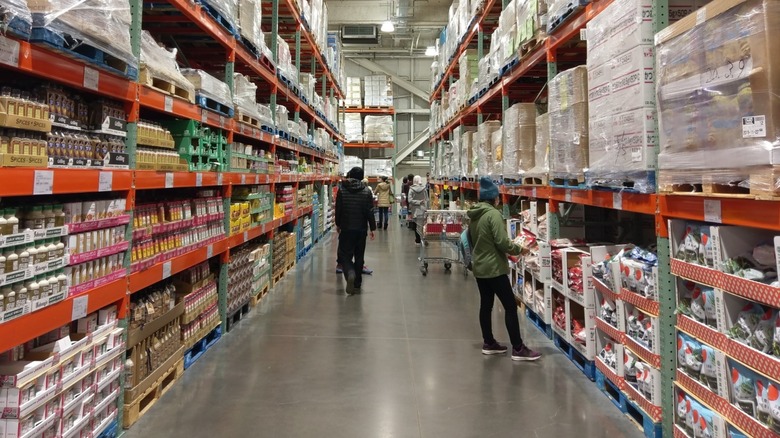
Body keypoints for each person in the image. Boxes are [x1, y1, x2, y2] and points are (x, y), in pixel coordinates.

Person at [467, 177, 541, 361]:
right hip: (494, 268)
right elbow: (501, 241)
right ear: (494, 198)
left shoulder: (475, 215)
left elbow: (475, 240)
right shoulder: (493, 215)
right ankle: (518, 348)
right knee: (509, 306)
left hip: (480, 267)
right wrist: (519, 249)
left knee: (486, 305)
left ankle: (489, 342)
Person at [335, 167, 376, 294]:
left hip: (346, 228)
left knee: (345, 255)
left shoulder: (342, 190)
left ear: (350, 175)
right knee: (359, 256)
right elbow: (369, 211)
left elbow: (338, 209)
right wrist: (372, 228)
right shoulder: (366, 191)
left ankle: (350, 273)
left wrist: (338, 224)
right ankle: (357, 283)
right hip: (361, 229)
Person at [407, 175, 428, 246]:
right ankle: (423, 239)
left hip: (415, 209)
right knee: (423, 225)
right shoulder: (424, 189)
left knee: (416, 225)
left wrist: (417, 202)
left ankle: (418, 240)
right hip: (423, 209)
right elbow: (427, 199)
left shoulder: (411, 189)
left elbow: (409, 200)